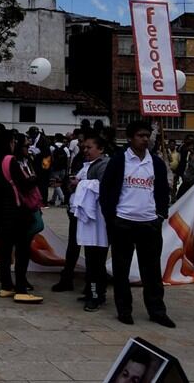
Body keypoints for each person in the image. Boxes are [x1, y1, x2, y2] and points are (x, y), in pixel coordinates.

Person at [99, 121, 174, 328]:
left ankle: (157, 311)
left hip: (149, 223)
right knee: (121, 270)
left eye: (147, 135)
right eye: (141, 135)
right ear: (130, 138)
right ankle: (124, 310)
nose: (145, 139)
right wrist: (111, 218)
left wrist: (160, 215)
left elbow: (162, 191)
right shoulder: (119, 160)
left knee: (151, 271)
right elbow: (105, 191)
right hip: (123, 222)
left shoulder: (156, 163)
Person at [0, 132, 43, 303]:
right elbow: (24, 185)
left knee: (3, 251)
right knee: (22, 251)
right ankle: (21, 289)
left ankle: (6, 286)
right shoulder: (9, 160)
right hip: (15, 213)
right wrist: (36, 178)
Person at [68, 133, 110, 311]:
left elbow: (103, 187)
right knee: (91, 258)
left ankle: (96, 294)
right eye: (84, 147)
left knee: (96, 260)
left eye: (89, 147)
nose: (85, 151)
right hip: (87, 220)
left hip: (99, 221)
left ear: (100, 149)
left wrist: (81, 184)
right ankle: (92, 291)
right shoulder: (88, 165)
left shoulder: (104, 165)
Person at [48, 133, 70, 206]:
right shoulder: (66, 148)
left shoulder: (51, 147)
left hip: (55, 168)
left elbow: (49, 158)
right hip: (63, 169)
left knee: (55, 184)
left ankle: (63, 199)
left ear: (55, 139)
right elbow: (68, 159)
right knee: (58, 184)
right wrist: (67, 169)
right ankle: (53, 199)